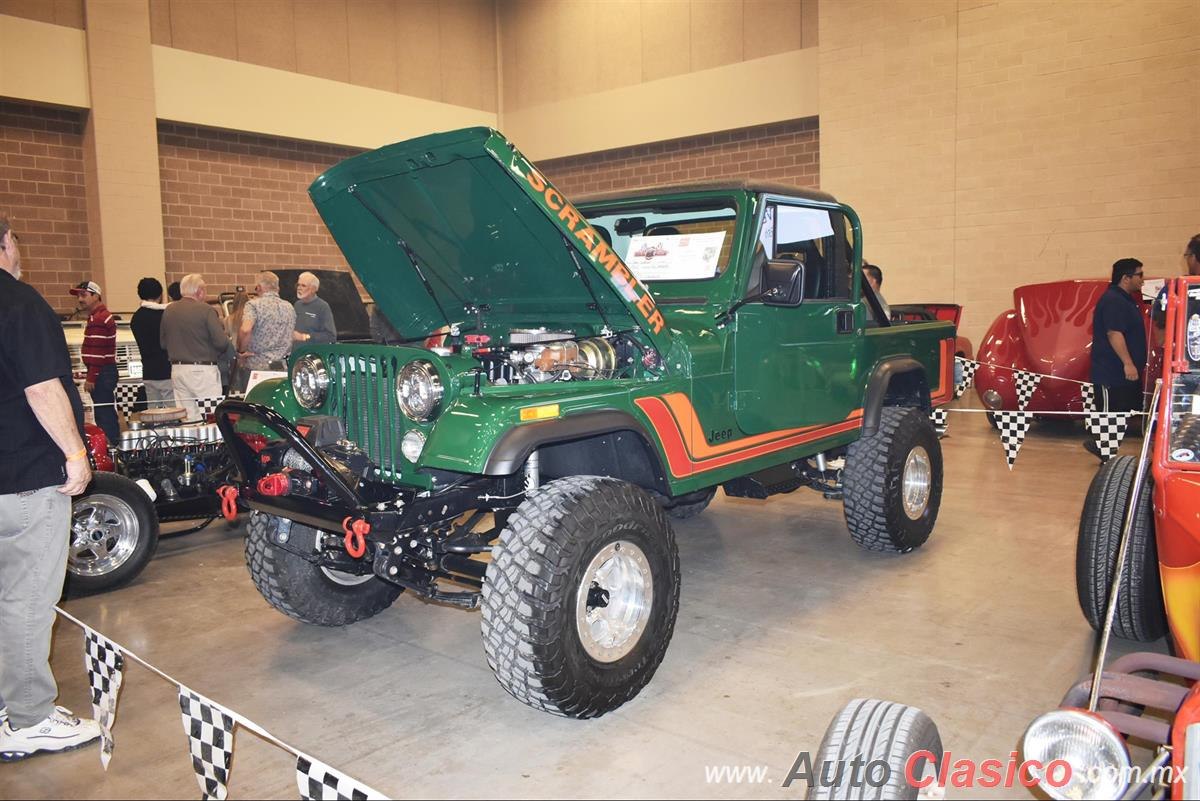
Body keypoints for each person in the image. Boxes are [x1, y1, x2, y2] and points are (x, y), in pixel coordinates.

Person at [0, 216, 101, 760]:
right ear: (8, 242)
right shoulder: (19, 303)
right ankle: (29, 718)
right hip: (23, 479)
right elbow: (41, 387)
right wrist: (74, 454)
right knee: (26, 600)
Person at [1087, 258, 1147, 459]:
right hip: (1110, 373)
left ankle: (1102, 447)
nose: (1143, 279)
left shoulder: (1126, 300)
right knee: (1110, 414)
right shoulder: (1113, 300)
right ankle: (1105, 454)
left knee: (1122, 412)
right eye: (1139, 275)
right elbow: (1114, 333)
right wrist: (1128, 363)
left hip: (1122, 374)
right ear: (1126, 278)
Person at [160, 273, 232, 422]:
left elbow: (163, 343)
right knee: (211, 416)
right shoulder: (206, 310)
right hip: (203, 371)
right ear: (199, 291)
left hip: (177, 370)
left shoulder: (169, 310)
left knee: (187, 417)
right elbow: (221, 342)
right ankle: (212, 445)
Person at [69, 280, 119, 444]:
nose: (80, 299)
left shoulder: (99, 318)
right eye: (79, 296)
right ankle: (111, 445)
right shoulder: (98, 317)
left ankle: (111, 446)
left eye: (83, 295)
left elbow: (98, 352)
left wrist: (91, 377)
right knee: (105, 412)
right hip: (104, 371)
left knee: (104, 413)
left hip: (102, 372)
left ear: (96, 296)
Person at [238, 271, 295, 373]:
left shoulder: (253, 305)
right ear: (278, 288)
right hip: (282, 366)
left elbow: (246, 329)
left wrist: (242, 351)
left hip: (257, 366)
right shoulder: (289, 307)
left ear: (259, 287)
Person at [129, 277, 173, 408]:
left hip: (148, 372)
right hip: (167, 371)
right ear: (160, 294)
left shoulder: (136, 317)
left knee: (153, 413)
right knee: (173, 411)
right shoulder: (166, 315)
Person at [1153, 234, 1200, 343]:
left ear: (1193, 257)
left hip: (1185, 354)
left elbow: (1161, 336)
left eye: (1186, 255)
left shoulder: (1175, 288)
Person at [292, 271, 337, 345]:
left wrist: (304, 337)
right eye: (298, 285)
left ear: (313, 289)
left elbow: (331, 336)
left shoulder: (322, 307)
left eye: (303, 285)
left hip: (312, 354)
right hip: (296, 353)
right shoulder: (297, 305)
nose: (299, 288)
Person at [223, 287, 250, 392]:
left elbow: (227, 337)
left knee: (237, 384)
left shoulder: (228, 319)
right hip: (247, 351)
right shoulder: (249, 317)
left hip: (235, 354)